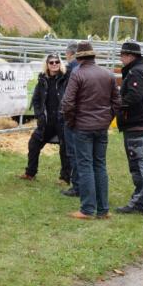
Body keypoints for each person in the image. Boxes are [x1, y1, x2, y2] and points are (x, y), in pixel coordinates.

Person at [61, 41, 121, 220]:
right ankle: (103, 210)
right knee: (100, 165)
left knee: (85, 166)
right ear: (93, 56)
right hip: (101, 128)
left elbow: (67, 103)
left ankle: (87, 209)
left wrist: (72, 122)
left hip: (83, 127)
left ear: (78, 57)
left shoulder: (77, 74)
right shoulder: (108, 74)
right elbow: (117, 102)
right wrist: (106, 119)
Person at [114, 41, 143, 214]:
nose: (121, 58)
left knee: (139, 164)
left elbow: (133, 97)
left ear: (130, 56)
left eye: (122, 55)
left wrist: (116, 105)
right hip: (142, 123)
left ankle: (140, 203)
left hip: (136, 123)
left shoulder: (136, 72)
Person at [18, 54, 71, 183]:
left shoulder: (66, 79)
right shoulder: (42, 80)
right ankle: (30, 173)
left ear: (60, 63)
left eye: (56, 62)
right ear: (47, 65)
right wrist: (39, 115)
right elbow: (36, 99)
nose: (54, 64)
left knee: (65, 149)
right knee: (34, 143)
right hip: (46, 121)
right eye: (51, 62)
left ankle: (65, 178)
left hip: (62, 120)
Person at [60, 42, 81, 197]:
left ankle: (77, 186)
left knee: (73, 152)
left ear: (70, 54)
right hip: (87, 118)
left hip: (73, 118)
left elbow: (69, 96)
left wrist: (66, 114)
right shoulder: (95, 70)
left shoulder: (72, 69)